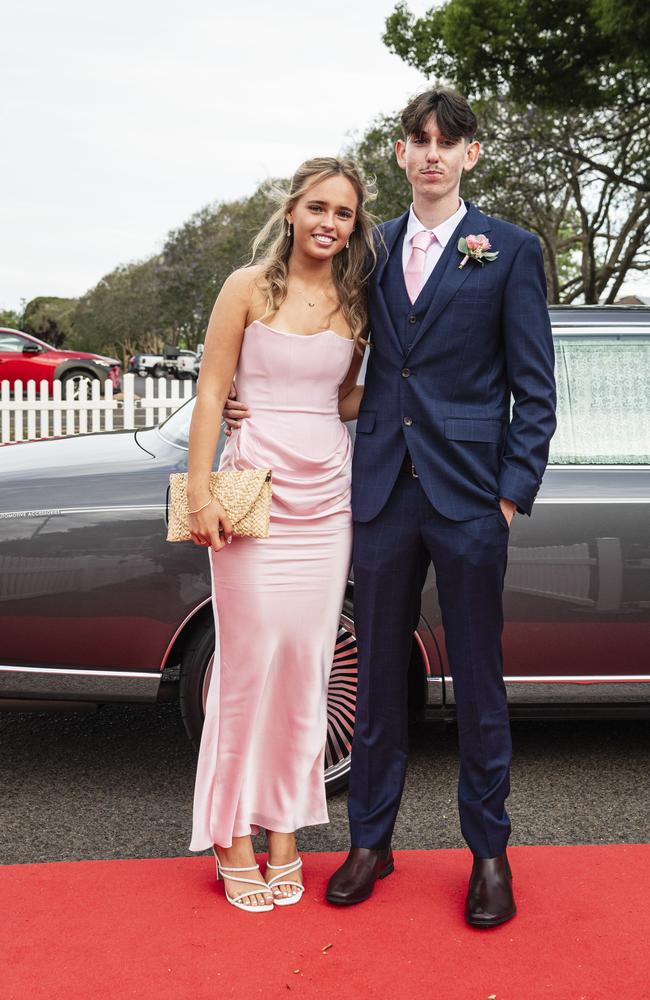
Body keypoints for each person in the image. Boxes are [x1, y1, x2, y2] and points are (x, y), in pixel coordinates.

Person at [227, 87, 557, 927]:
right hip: (374, 496)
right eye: (420, 140)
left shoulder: (509, 251)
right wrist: (250, 402)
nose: (434, 153)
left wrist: (510, 497)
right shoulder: (367, 253)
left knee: (480, 680)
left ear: (470, 156)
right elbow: (308, 336)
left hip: (471, 499)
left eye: (449, 141)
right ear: (402, 155)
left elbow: (535, 392)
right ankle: (370, 840)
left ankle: (489, 854)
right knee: (374, 676)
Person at [186, 157, 376, 912]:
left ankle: (287, 836)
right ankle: (233, 838)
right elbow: (209, 387)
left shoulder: (357, 300)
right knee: (245, 670)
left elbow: (350, 396)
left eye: (345, 214)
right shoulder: (245, 287)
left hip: (328, 500)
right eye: (319, 208)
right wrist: (201, 488)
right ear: (293, 210)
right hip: (250, 495)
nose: (331, 223)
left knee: (307, 669)